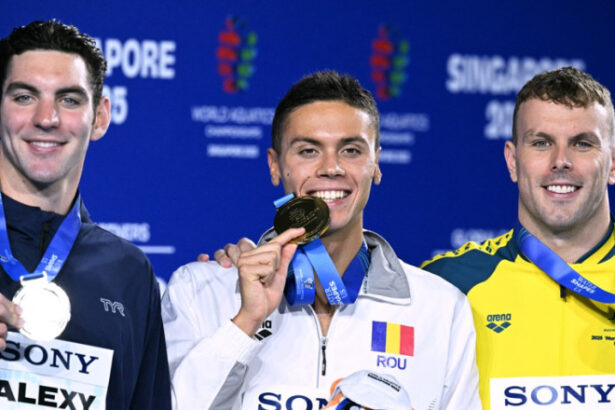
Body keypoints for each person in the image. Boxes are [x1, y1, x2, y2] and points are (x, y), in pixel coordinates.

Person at [163, 71, 481, 409]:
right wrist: (245, 323)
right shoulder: (201, 291)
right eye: (308, 151)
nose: (331, 167)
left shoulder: (439, 310)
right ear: (274, 165)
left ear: (376, 163)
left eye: (351, 150)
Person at [421, 67, 615, 409]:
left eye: (582, 144)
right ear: (512, 161)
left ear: (612, 163)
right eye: (541, 143)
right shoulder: (449, 285)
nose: (561, 161)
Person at [0, 20, 171, 409]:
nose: (47, 118)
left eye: (69, 100)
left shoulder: (129, 272)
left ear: (100, 117)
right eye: (24, 97)